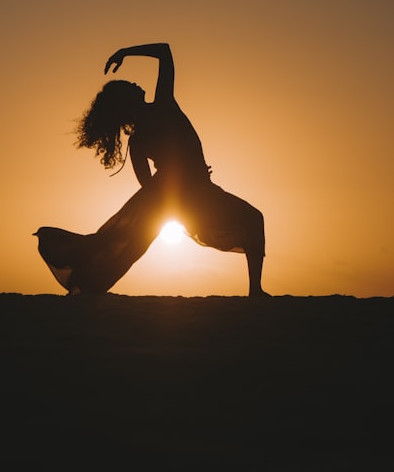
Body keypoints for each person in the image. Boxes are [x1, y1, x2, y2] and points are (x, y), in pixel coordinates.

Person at [34, 43, 268, 297]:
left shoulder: (140, 138)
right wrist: (124, 52)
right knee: (253, 219)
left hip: (186, 193)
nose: (135, 85)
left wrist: (191, 173)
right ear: (126, 101)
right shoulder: (163, 106)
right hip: (188, 194)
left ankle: (255, 289)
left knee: (125, 244)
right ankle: (255, 290)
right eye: (129, 87)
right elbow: (164, 52)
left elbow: (148, 183)